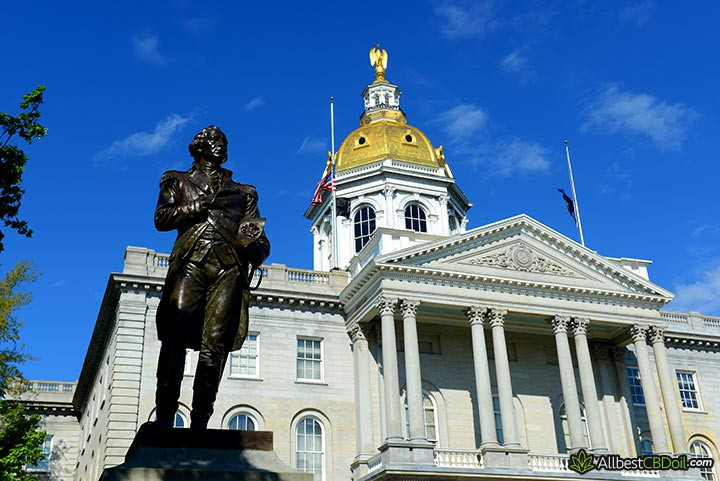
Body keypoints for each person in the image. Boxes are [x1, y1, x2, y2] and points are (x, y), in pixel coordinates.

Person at [152, 125, 270, 429]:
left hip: (228, 270)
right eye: (215, 141)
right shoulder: (177, 180)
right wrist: (195, 206)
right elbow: (161, 219)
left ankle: (201, 421)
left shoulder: (244, 192)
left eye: (224, 142)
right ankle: (165, 417)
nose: (221, 146)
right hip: (191, 263)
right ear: (199, 146)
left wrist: (256, 247)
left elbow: (260, 238)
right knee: (174, 339)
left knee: (214, 346)